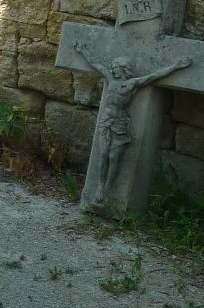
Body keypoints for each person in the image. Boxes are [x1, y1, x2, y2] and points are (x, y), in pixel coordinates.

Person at [74, 41, 191, 205]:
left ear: (123, 69)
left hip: (120, 123)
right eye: (113, 67)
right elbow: (95, 64)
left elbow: (154, 76)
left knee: (115, 156)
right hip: (106, 121)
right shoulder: (109, 78)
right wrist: (82, 50)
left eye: (116, 67)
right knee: (103, 153)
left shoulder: (132, 84)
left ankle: (107, 189)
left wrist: (176, 66)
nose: (113, 69)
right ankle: (100, 187)